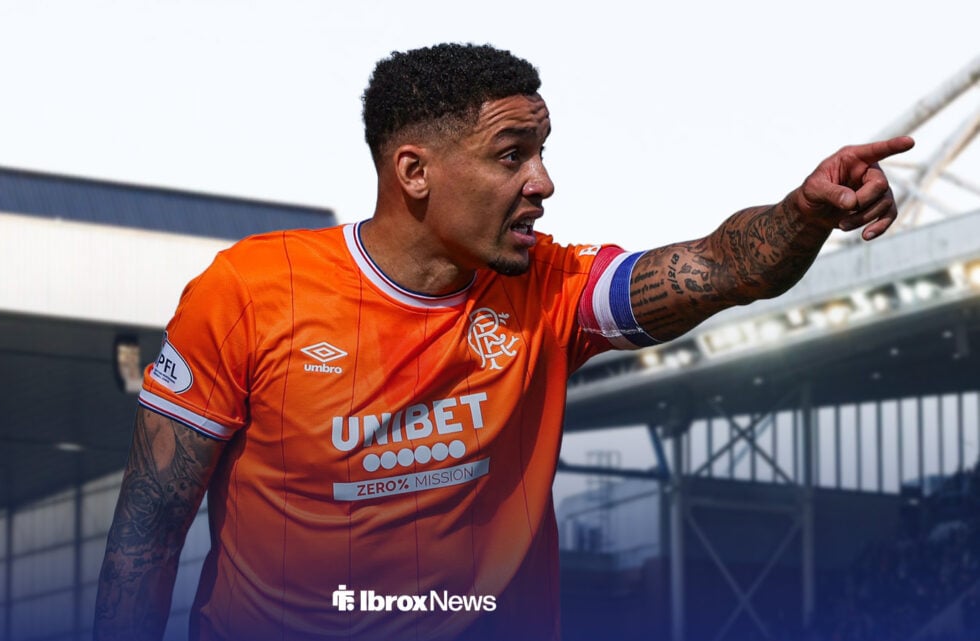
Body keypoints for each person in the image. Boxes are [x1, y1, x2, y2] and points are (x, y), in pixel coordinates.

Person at [93, 43, 913, 641]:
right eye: (511, 155)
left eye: (543, 152)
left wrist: (803, 215)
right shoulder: (247, 294)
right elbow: (148, 528)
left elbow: (722, 266)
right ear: (414, 172)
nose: (543, 182)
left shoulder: (550, 288)